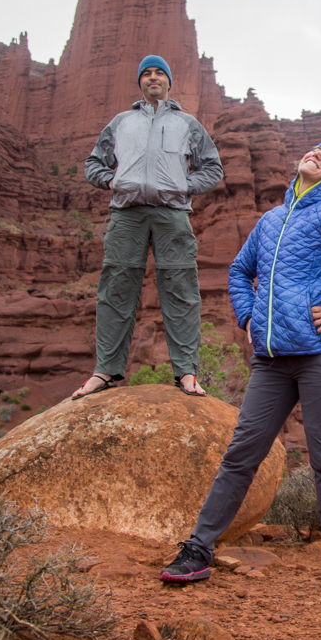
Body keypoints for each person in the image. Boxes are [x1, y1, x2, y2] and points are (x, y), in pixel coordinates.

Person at [160, 141, 321, 594]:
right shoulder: (271, 219)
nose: (315, 155)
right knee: (241, 455)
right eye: (314, 150)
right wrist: (248, 316)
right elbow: (238, 270)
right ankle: (197, 550)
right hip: (271, 361)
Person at [73, 55, 223, 399]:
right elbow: (93, 163)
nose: (153, 78)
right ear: (140, 82)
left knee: (181, 289)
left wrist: (185, 186)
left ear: (169, 81)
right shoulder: (121, 122)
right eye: (147, 73)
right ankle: (106, 371)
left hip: (172, 215)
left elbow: (212, 169)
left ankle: (186, 372)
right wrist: (112, 181)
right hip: (127, 214)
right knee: (116, 290)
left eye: (159, 73)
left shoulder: (188, 123)